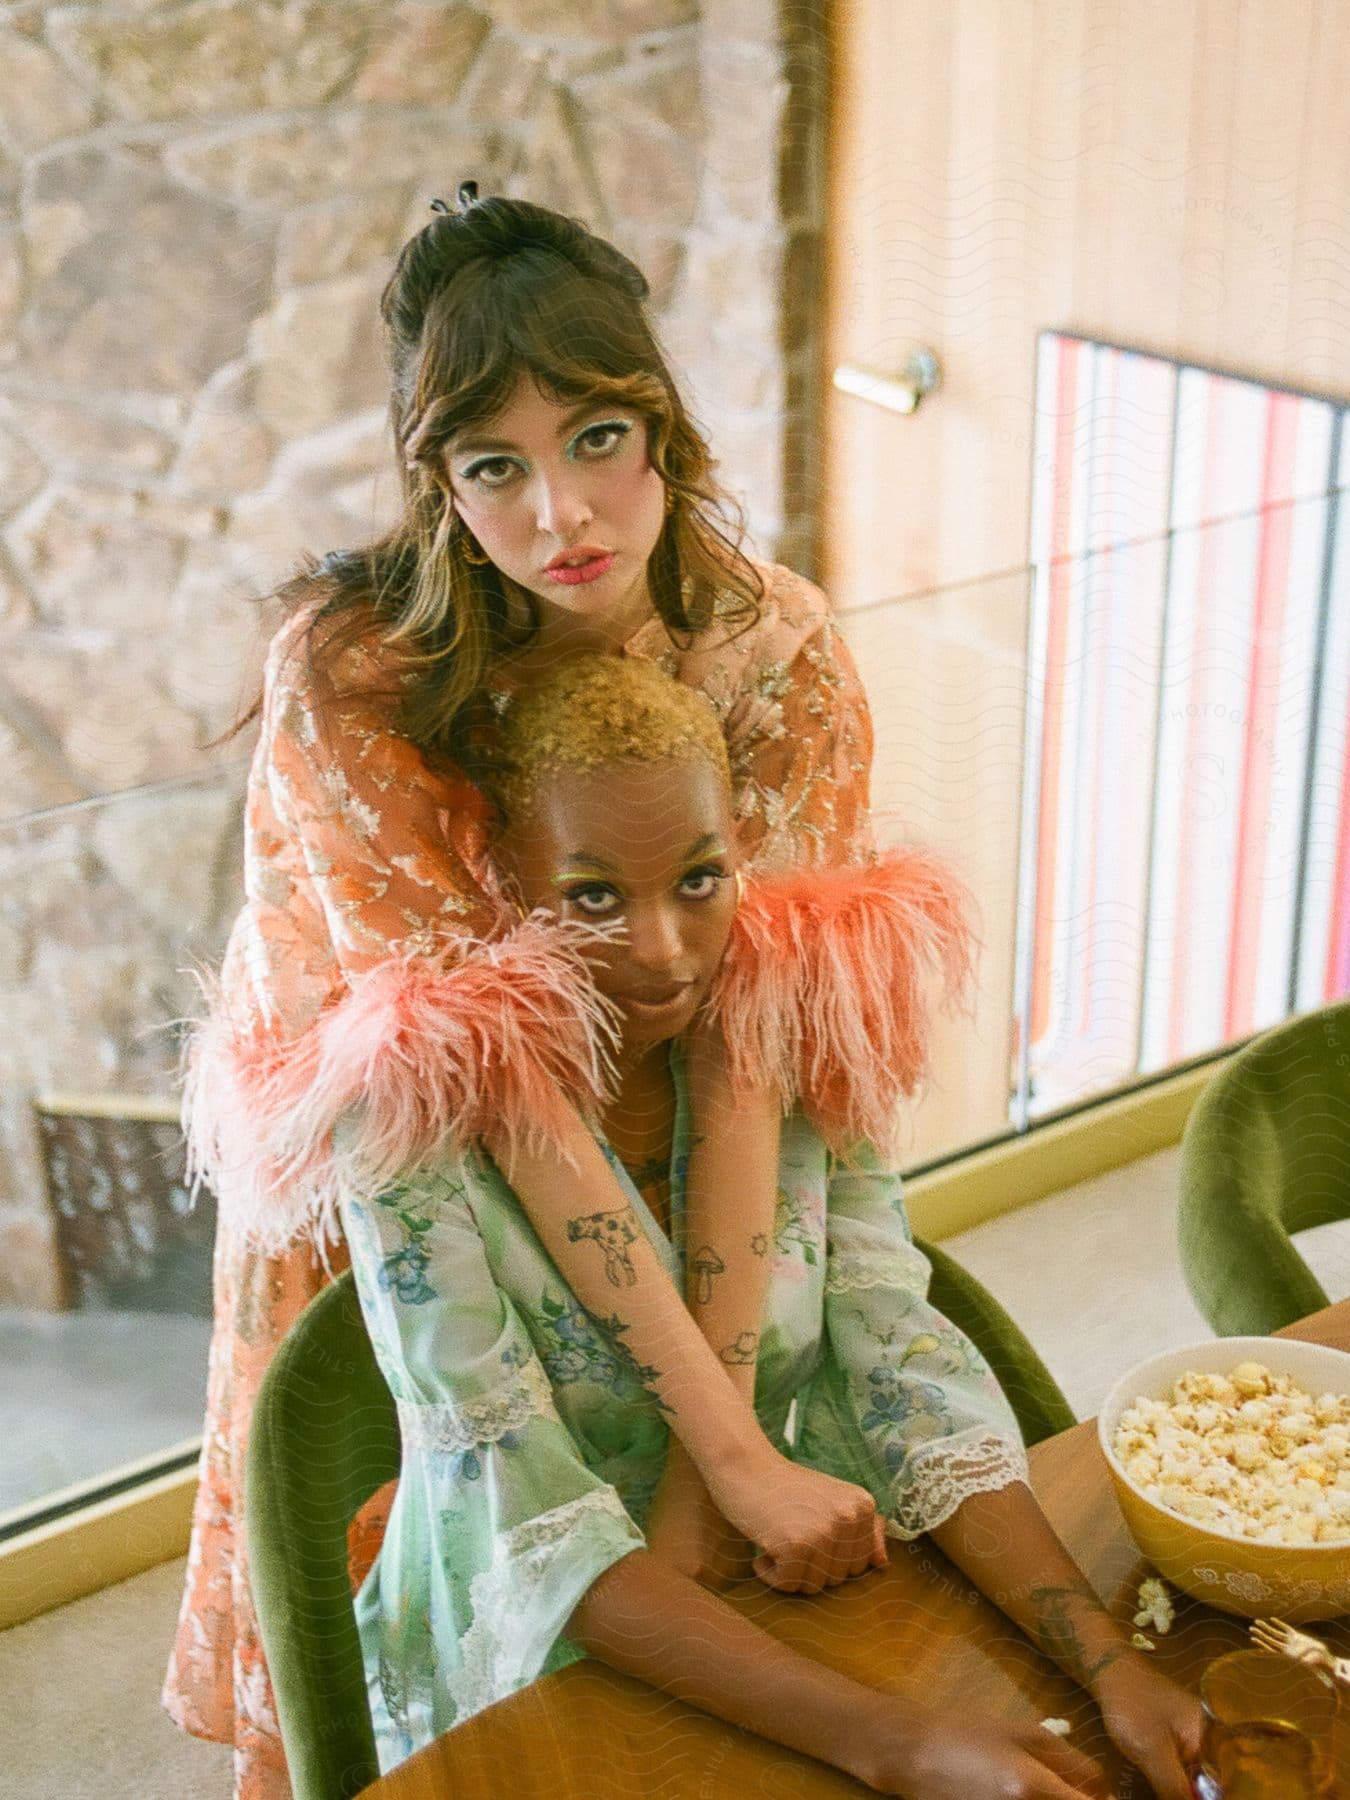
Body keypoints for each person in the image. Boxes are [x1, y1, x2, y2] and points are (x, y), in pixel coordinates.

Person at [163, 179, 898, 1799]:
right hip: (423, 1201)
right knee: (445, 1657)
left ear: (665, 429)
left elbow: (752, 1037)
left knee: (722, 1647)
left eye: (599, 441)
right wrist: (719, 1446)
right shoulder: (359, 677)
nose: (561, 509)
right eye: (495, 466)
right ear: (438, 484)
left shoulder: (771, 650)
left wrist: (729, 1453)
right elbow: (475, 1081)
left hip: (701, 1164)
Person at [336, 650, 1205, 1800]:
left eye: (699, 878)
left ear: (741, 844)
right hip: (557, 1651)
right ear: (504, 878)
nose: (661, 949)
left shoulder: (802, 1046)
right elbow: (526, 1521)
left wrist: (1107, 1664)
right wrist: (899, 1742)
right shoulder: (407, 1130)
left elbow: (902, 1367)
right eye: (593, 895)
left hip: (804, 1576)